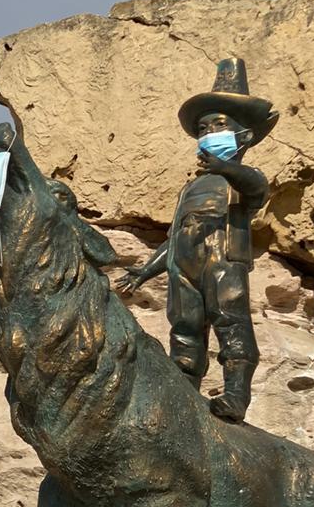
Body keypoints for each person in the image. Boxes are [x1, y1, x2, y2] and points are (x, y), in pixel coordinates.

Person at [118, 58, 277, 422]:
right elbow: (175, 238)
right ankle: (184, 394)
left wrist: (227, 168)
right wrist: (146, 270)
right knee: (184, 329)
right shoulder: (190, 187)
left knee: (231, 323)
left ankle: (235, 395)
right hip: (183, 265)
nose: (209, 133)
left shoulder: (241, 179)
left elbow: (256, 188)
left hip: (223, 260)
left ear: (243, 136)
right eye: (203, 128)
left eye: (220, 125)